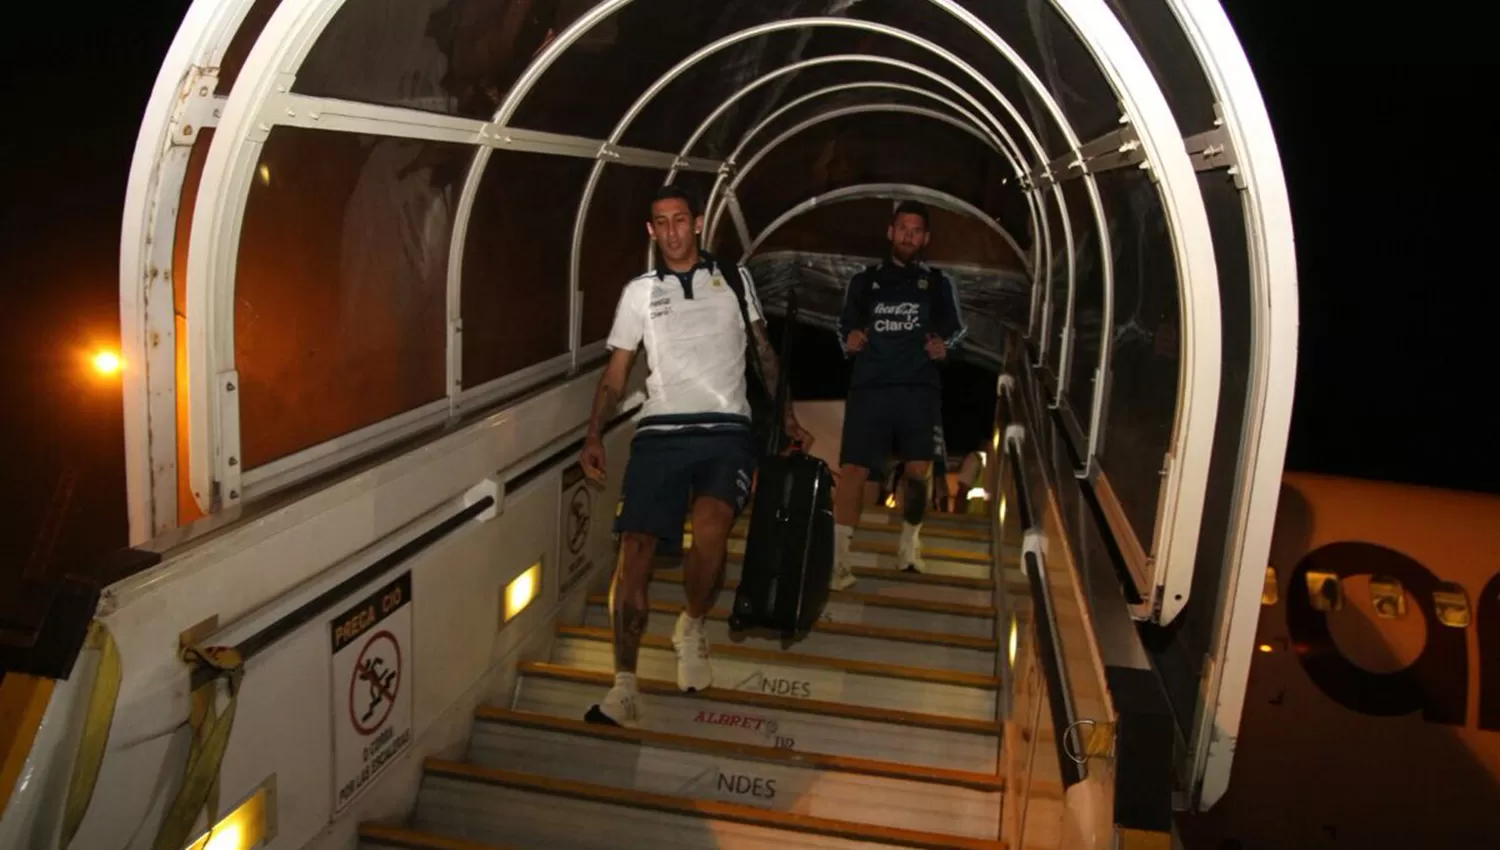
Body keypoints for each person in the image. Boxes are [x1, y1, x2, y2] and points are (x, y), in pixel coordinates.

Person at [579, 185, 811, 728]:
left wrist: (789, 416)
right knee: (634, 549)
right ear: (651, 231)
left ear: (698, 223)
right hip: (659, 432)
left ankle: (693, 623)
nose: (673, 231)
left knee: (710, 530)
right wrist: (592, 432)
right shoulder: (639, 292)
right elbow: (616, 373)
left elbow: (763, 352)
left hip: (726, 429)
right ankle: (625, 686)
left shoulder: (732, 278)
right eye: (662, 222)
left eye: (681, 220)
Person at [831, 201, 966, 590]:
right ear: (891, 232)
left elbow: (957, 332)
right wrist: (850, 340)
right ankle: (840, 561)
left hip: (918, 388)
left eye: (916, 230)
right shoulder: (864, 280)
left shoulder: (939, 282)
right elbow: (843, 328)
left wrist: (946, 348)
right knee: (853, 471)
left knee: (917, 472)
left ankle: (910, 544)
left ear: (926, 238)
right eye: (902, 228)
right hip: (869, 387)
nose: (908, 235)